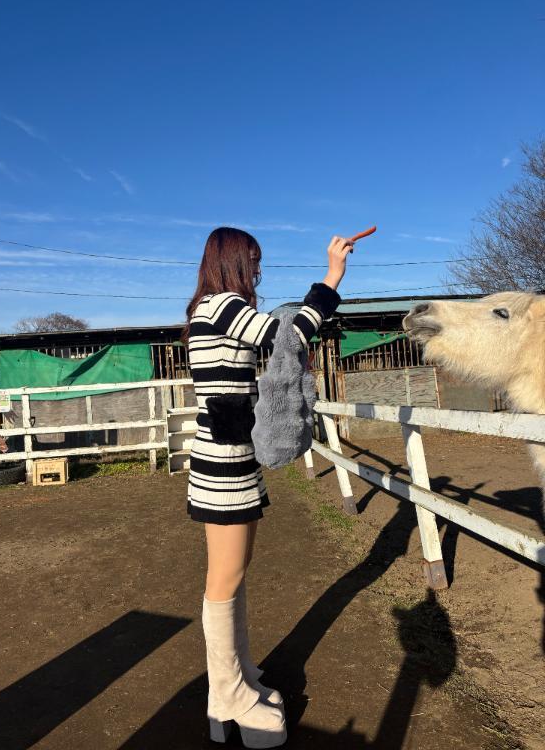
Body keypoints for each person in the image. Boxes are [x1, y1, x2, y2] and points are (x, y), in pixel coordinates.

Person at [181, 226, 357, 747]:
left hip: (230, 455)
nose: (258, 270)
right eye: (253, 260)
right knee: (225, 578)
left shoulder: (211, 308)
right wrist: (332, 277)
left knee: (234, 575)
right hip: (224, 464)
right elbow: (286, 338)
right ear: (233, 261)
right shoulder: (223, 305)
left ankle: (233, 682)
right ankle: (228, 695)